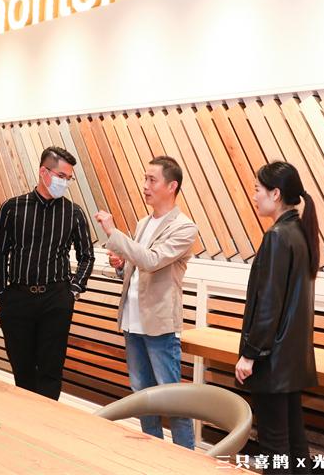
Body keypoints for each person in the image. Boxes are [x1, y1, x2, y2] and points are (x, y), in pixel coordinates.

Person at [94, 155, 198, 450]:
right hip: (132, 321)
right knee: (143, 397)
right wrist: (120, 265)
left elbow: (151, 261)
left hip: (159, 324)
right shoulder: (143, 223)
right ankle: (152, 454)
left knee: (173, 401)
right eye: (145, 179)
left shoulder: (185, 227)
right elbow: (136, 266)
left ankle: (186, 461)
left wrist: (113, 233)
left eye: (152, 180)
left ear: (172, 186)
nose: (145, 186)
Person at [234, 161, 319, 474]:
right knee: (294, 445)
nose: (254, 196)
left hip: (272, 360)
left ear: (276, 194)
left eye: (258, 189)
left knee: (274, 448)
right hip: (292, 359)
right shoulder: (300, 232)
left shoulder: (278, 236)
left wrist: (250, 354)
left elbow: (268, 305)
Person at [0, 146, 95, 400]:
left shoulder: (74, 213)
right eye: (61, 176)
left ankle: (47, 419)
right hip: (17, 299)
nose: (65, 183)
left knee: (51, 370)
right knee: (22, 369)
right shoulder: (12, 208)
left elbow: (87, 256)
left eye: (68, 178)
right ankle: (26, 417)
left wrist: (73, 291)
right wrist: (3, 293)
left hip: (56, 299)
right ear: (43, 172)